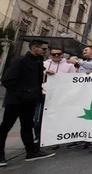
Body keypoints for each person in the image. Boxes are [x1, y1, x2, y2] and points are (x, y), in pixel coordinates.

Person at [0, 39, 55, 167]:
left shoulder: (38, 62)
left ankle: (31, 152)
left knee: (27, 126)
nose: (45, 51)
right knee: (6, 126)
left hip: (30, 101)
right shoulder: (20, 61)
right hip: (16, 101)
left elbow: (34, 80)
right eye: (44, 49)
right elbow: (7, 80)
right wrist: (23, 93)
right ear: (34, 48)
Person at [66, 46, 92, 150]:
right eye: (83, 50)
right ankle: (84, 138)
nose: (84, 52)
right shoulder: (83, 62)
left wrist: (77, 61)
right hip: (84, 92)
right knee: (84, 115)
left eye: (86, 50)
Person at [39, 48, 77, 149]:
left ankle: (54, 139)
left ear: (62, 54)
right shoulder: (44, 64)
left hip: (59, 95)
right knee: (39, 118)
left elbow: (72, 80)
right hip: (43, 93)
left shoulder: (69, 66)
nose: (56, 56)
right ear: (50, 54)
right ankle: (39, 138)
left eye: (58, 54)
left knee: (55, 117)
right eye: (54, 54)